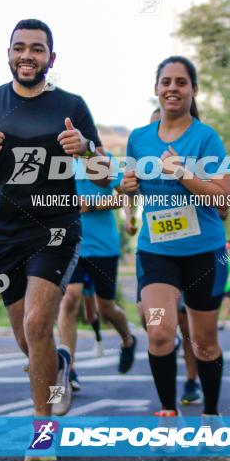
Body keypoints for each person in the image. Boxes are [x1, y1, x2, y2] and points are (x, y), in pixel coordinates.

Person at [0, 19, 109, 461]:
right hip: (6, 233)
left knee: (38, 323)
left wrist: (87, 151)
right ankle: (57, 363)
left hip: (57, 229)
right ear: (8, 53)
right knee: (27, 338)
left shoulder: (71, 105)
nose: (27, 56)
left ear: (50, 59)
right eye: (20, 47)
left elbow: (105, 175)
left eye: (37, 49)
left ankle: (42, 432)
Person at [120, 55, 230, 425]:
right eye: (166, 82)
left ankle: (212, 414)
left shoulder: (206, 137)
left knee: (204, 342)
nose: (172, 88)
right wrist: (126, 187)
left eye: (181, 82)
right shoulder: (138, 139)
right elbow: (129, 189)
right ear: (156, 89)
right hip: (157, 252)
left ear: (193, 90)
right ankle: (169, 411)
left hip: (204, 254)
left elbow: (224, 200)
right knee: (159, 331)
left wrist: (182, 172)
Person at [57, 150, 137, 394]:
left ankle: (127, 340)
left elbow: (123, 196)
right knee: (70, 298)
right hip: (72, 245)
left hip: (103, 246)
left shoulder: (104, 159)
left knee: (106, 309)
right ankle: (68, 369)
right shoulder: (58, 162)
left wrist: (126, 218)